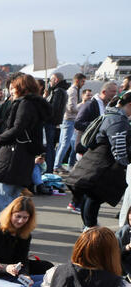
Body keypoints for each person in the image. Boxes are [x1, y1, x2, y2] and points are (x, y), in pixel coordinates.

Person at [0, 74, 52, 218]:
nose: (11, 91)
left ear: (22, 88)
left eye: (13, 87)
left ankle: (3, 229)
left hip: (14, 154)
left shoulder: (25, 104)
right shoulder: (36, 104)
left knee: (2, 198)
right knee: (13, 199)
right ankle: (12, 228)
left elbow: (18, 128)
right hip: (24, 155)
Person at [66, 91, 131, 232]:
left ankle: (88, 227)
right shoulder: (118, 120)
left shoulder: (109, 114)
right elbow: (118, 146)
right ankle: (90, 229)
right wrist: (124, 162)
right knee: (94, 197)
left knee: (90, 196)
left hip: (94, 161)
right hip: (103, 165)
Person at [56, 73, 86, 172]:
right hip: (69, 119)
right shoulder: (73, 91)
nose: (84, 83)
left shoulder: (72, 90)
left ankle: (57, 164)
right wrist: (82, 108)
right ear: (77, 81)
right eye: (83, 81)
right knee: (65, 144)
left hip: (67, 119)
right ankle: (57, 165)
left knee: (62, 143)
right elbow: (71, 107)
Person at [43, 72, 69, 174]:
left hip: (50, 122)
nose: (49, 82)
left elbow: (52, 108)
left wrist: (45, 98)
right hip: (54, 122)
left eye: (50, 80)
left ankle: (48, 169)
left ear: (56, 80)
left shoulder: (57, 91)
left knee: (49, 147)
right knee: (51, 147)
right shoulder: (62, 91)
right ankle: (49, 168)